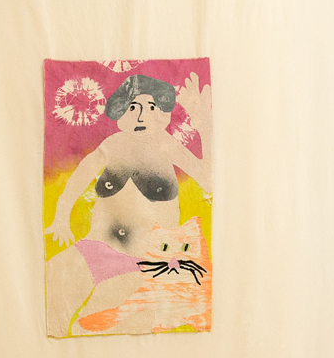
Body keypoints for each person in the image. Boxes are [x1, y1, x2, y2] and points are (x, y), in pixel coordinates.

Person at [45, 70, 212, 336]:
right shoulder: (112, 145)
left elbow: (208, 180)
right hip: (94, 248)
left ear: (164, 114)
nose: (141, 116)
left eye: (150, 107)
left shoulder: (166, 146)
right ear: (121, 112)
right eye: (133, 107)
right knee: (52, 287)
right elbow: (80, 177)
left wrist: (204, 125)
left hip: (141, 263)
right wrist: (61, 218)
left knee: (89, 329)